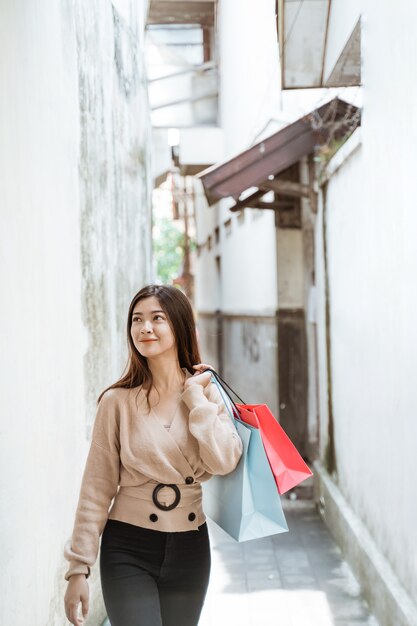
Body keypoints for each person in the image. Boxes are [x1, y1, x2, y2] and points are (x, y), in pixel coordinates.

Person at [63, 284, 243, 626]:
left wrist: (196, 398)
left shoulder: (206, 392)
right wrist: (78, 569)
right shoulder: (116, 402)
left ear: (178, 326)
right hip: (128, 546)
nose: (145, 327)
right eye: (137, 319)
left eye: (157, 318)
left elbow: (224, 460)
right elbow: (96, 490)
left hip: (191, 546)